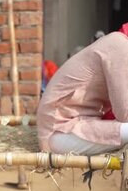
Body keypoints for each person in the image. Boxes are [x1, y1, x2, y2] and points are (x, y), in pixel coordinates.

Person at [37, 25, 128, 155]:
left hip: (73, 128)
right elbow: (124, 114)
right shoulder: (121, 46)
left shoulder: (118, 43)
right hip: (59, 133)